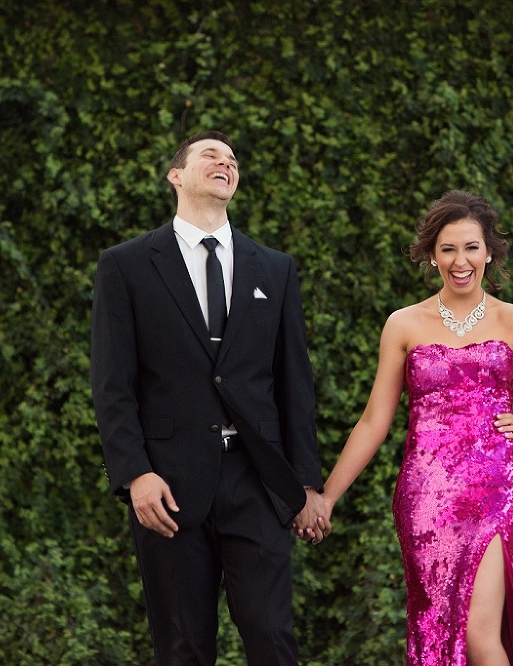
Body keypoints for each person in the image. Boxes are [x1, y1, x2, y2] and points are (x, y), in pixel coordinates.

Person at [319, 190, 513, 665]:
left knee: (478, 635)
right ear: (432, 255)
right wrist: (327, 497)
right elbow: (374, 420)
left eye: (471, 247)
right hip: (426, 493)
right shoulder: (403, 324)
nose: (460, 260)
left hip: (496, 489)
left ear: (489, 251)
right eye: (448, 248)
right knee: (436, 628)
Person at [90, 130, 329, 665]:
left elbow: (294, 384)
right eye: (211, 156)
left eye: (233, 159)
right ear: (176, 175)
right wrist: (134, 474)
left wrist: (307, 481)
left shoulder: (275, 268)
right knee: (182, 646)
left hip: (258, 481)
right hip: (168, 487)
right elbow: (112, 385)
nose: (226, 163)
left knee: (271, 636)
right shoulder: (125, 266)